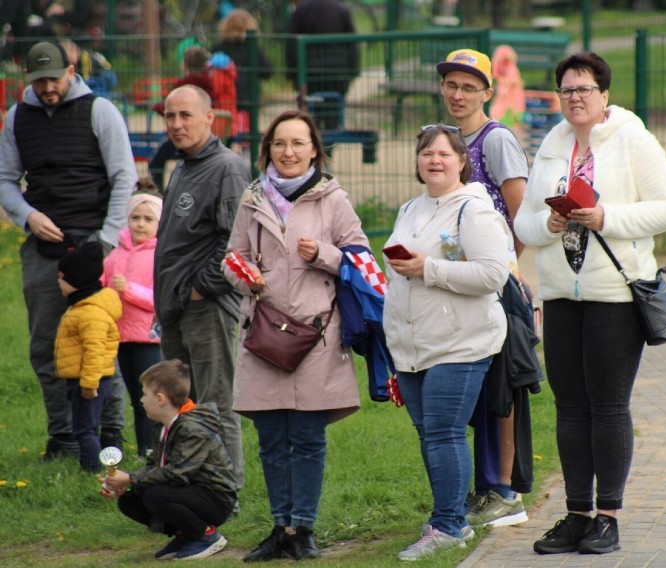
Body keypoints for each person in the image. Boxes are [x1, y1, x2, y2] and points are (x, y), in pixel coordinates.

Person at [513, 52, 666, 555]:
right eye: (567, 90)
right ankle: (575, 515)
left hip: (615, 296)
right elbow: (522, 222)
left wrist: (606, 217)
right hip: (562, 296)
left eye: (584, 89)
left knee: (607, 406)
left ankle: (607, 516)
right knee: (570, 408)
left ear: (604, 95)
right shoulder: (551, 144)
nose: (575, 98)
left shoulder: (632, 137)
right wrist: (549, 225)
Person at [222, 109, 369, 562]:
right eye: (280, 143)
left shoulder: (333, 199)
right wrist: (248, 277)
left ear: (313, 150)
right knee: (271, 441)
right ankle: (279, 529)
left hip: (316, 339)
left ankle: (301, 529)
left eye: (298, 143)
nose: (288, 152)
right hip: (263, 336)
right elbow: (232, 259)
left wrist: (324, 253)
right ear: (268, 149)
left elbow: (361, 258)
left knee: (306, 439)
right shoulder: (252, 199)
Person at [0, 40, 136, 460]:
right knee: (47, 345)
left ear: (71, 70)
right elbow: (5, 179)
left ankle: (109, 434)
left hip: (93, 243)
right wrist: (26, 216)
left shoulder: (101, 111)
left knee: (100, 341)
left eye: (53, 79)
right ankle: (63, 436)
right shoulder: (16, 118)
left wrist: (108, 239)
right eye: (38, 81)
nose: (47, 88)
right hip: (43, 247)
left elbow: (124, 176)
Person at [384, 124, 511, 561]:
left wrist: (428, 270)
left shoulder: (473, 211)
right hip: (412, 346)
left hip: (461, 343)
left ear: (462, 161)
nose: (434, 160)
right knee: (430, 434)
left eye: (444, 153)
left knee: (444, 432)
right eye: (426, 153)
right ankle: (448, 516)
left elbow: (493, 274)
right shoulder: (409, 209)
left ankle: (449, 526)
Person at [435, 48, 533, 528]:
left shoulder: (495, 141)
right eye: (451, 85)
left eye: (468, 87)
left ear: (487, 93)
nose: (457, 94)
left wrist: (504, 264)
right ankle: (484, 486)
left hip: (496, 283)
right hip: (461, 283)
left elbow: (521, 214)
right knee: (474, 389)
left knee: (502, 390)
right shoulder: (446, 140)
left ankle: (506, 491)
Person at [153, 85, 252, 493]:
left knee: (214, 403)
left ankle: (226, 491)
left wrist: (199, 289)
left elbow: (236, 241)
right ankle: (193, 482)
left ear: (211, 118)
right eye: (170, 116)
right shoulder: (183, 165)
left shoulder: (227, 167)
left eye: (185, 115)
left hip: (206, 307)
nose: (176, 124)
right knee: (182, 404)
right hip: (175, 308)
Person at [100, 359, 237, 561]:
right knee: (129, 500)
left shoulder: (191, 428)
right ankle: (185, 534)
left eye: (145, 394)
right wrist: (124, 486)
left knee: (155, 495)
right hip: (188, 493)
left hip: (215, 499)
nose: (141, 400)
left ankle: (205, 535)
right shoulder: (162, 426)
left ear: (161, 399)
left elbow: (178, 473)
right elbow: (154, 467)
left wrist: (130, 479)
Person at [102, 182, 163, 460]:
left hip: (150, 338)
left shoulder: (160, 255)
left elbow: (159, 299)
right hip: (121, 337)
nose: (140, 224)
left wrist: (129, 290)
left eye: (148, 219)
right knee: (137, 400)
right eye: (135, 218)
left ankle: (156, 450)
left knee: (152, 397)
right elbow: (103, 289)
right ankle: (143, 450)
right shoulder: (116, 253)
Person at [55, 242, 121, 473]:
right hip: (83, 379)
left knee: (86, 429)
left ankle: (92, 471)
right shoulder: (82, 307)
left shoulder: (90, 312)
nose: (58, 281)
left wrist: (89, 384)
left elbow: (95, 350)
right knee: (85, 427)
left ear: (76, 280)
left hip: (89, 382)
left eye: (62, 276)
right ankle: (92, 467)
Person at [148, 46, 216, 190]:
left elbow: (171, 107)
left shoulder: (183, 83)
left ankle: (158, 193)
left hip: (184, 136)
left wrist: (157, 108)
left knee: (156, 162)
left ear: (184, 65)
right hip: (209, 130)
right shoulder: (210, 82)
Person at [286, 0, 360, 130]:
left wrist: (292, 74)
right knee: (332, 113)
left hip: (309, 72)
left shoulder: (301, 11)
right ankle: (328, 146)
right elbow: (353, 44)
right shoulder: (342, 9)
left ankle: (314, 143)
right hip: (337, 71)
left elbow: (291, 45)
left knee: (310, 114)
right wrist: (353, 71)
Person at [211, 7, 273, 129]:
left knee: (227, 128)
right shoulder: (253, 48)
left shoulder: (218, 48)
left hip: (224, 98)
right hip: (249, 97)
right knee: (247, 130)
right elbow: (267, 71)